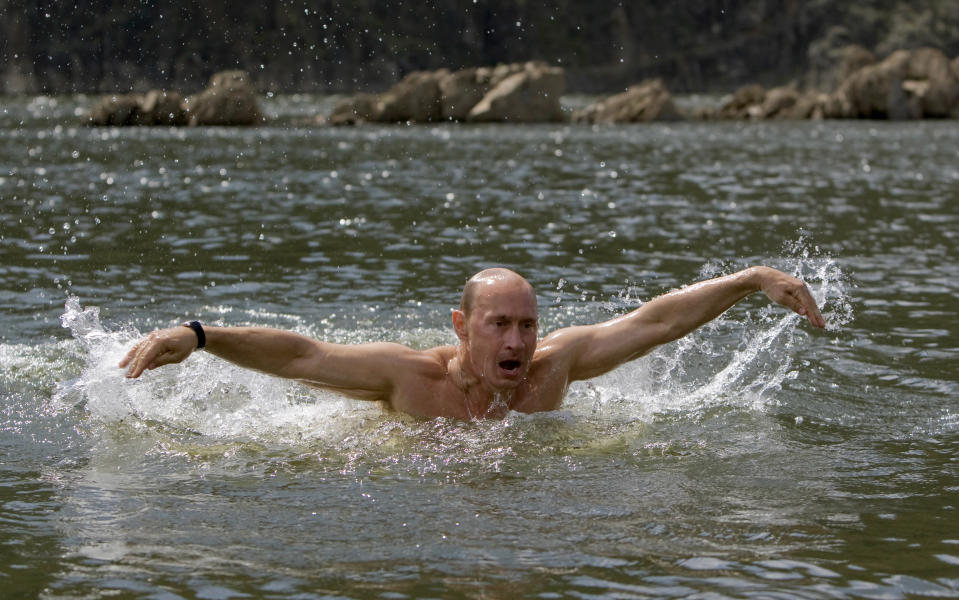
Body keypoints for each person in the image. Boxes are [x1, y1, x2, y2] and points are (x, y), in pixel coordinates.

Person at [120, 266, 825, 419]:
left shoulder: (554, 371)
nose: (518, 339)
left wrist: (752, 279)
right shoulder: (407, 379)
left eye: (526, 324)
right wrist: (200, 335)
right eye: (499, 324)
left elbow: (653, 322)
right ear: (461, 329)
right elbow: (303, 356)